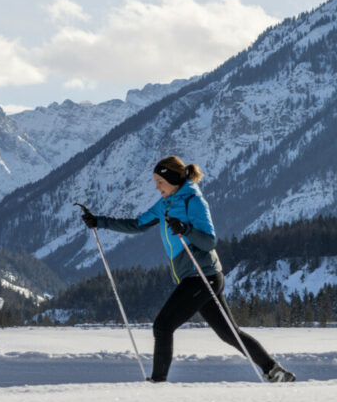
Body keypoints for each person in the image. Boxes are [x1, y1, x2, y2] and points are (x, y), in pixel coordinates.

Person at [80, 156, 296, 384]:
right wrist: (99, 221)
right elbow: (137, 224)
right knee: (230, 334)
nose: (157, 187)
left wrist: (185, 229)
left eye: (160, 182)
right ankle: (275, 371)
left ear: (173, 179)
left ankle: (157, 384)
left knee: (163, 326)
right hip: (196, 278)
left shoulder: (194, 201)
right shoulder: (164, 204)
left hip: (202, 276)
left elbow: (209, 242)